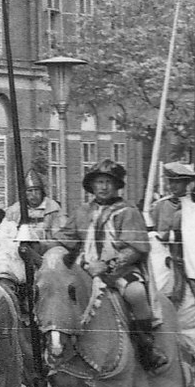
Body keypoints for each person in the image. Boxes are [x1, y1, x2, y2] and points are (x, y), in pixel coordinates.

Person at [60, 159, 167, 373]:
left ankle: (147, 347)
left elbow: (134, 249)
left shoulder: (128, 212)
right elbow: (65, 239)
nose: (103, 187)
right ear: (92, 185)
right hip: (85, 270)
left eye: (109, 182)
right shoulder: (82, 212)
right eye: (99, 182)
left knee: (136, 293)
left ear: (117, 185)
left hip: (120, 271)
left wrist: (108, 266)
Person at [153, 161, 195, 342]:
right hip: (166, 257)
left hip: (191, 258)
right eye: (170, 182)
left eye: (177, 182)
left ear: (186, 184)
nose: (173, 186)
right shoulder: (160, 205)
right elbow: (155, 234)